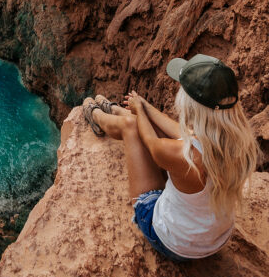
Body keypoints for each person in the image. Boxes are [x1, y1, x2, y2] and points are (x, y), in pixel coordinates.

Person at [82, 54, 259, 262]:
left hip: (176, 244)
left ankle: (95, 116)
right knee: (141, 120)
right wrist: (145, 107)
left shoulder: (185, 156)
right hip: (215, 240)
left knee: (130, 127)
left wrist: (139, 111)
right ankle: (113, 109)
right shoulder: (240, 144)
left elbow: (152, 145)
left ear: (192, 105)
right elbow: (179, 132)